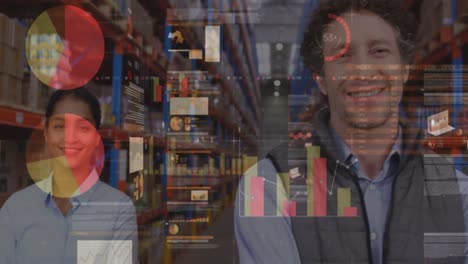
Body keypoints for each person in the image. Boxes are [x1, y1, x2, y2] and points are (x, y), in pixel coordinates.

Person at [235, 1, 468, 263]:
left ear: (404, 70)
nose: (363, 70)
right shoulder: (266, 187)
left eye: (379, 51)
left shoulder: (457, 191)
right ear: (321, 79)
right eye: (343, 56)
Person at [0, 88, 138, 264]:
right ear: (46, 134)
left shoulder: (119, 209)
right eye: (59, 126)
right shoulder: (15, 208)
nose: (70, 137)